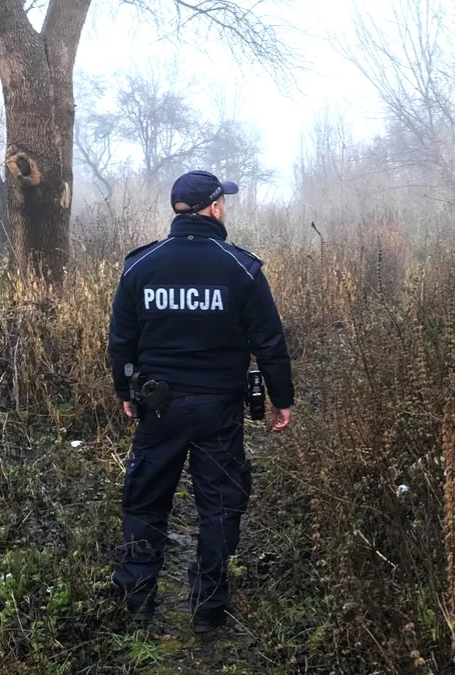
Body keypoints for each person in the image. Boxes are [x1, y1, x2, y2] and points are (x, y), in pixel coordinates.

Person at [107, 169, 294, 635]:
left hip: (158, 407)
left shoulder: (139, 266)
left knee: (145, 504)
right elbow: (270, 343)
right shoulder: (241, 269)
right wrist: (282, 399)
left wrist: (123, 389)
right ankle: (209, 606)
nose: (224, 207)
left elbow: (121, 341)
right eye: (222, 202)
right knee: (219, 505)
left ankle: (138, 602)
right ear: (213, 208)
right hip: (218, 409)